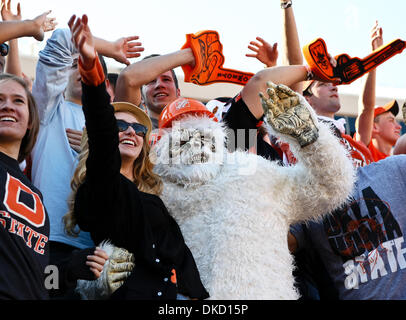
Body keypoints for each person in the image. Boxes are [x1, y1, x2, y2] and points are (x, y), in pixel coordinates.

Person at [64, 14, 208, 300]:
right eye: (120, 126)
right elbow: (102, 132)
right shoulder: (102, 186)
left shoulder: (153, 193)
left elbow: (181, 258)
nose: (130, 131)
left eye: (138, 128)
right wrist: (93, 73)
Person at [30, 18, 144, 291]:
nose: (79, 70)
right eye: (73, 65)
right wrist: (108, 48)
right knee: (46, 290)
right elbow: (60, 39)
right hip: (48, 244)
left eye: (87, 66)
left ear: (106, 87)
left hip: (104, 253)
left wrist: (95, 148)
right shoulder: (46, 114)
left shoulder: (122, 129)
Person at [0, 72, 109, 299]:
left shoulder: (36, 197)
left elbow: (39, 279)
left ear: (31, 120)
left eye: (18, 100)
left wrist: (70, 269)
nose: (8, 106)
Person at [355, 21, 402, 162]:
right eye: (391, 120)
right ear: (374, 127)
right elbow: (366, 107)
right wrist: (375, 56)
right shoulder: (364, 150)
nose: (398, 126)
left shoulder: (398, 163)